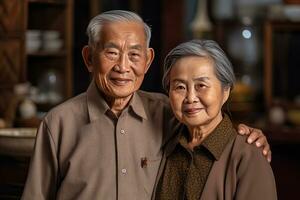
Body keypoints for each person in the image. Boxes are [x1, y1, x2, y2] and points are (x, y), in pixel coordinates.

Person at [22, 10, 271, 200]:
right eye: (111, 53)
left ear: (148, 60)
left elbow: (209, 125)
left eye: (134, 54)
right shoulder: (59, 123)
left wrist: (248, 137)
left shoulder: (167, 112)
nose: (123, 66)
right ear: (89, 58)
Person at [154, 39, 277, 200]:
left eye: (201, 85)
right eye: (180, 87)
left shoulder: (248, 155)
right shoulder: (165, 144)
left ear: (225, 91)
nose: (190, 98)